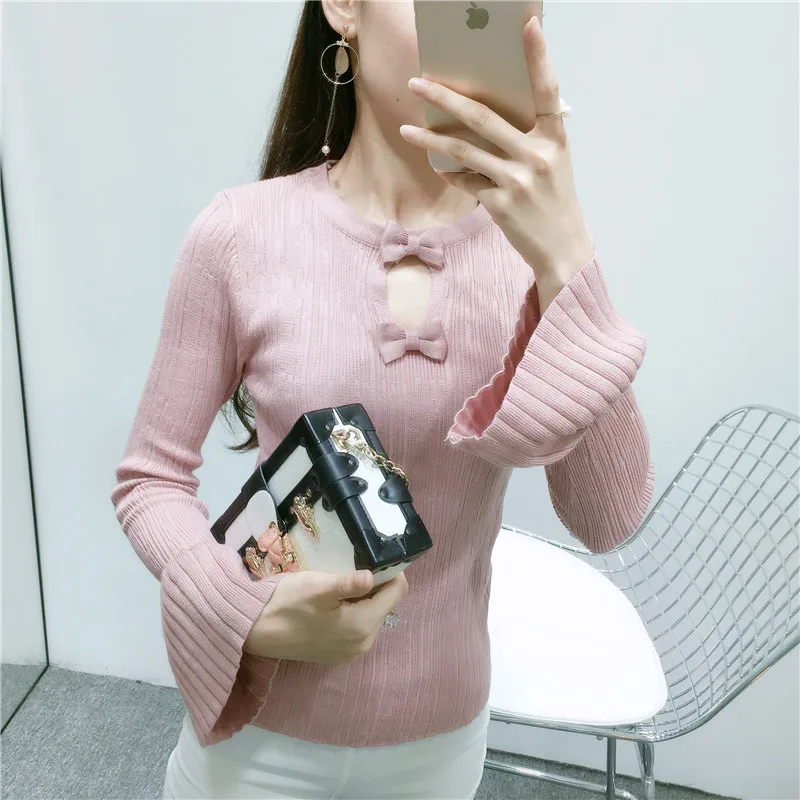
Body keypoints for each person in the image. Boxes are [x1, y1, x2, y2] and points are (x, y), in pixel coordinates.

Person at [109, 1, 655, 798]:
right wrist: (237, 608)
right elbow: (149, 478)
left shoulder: (533, 252)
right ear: (343, 8)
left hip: (438, 744)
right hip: (259, 734)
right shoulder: (240, 234)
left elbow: (609, 517)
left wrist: (566, 257)